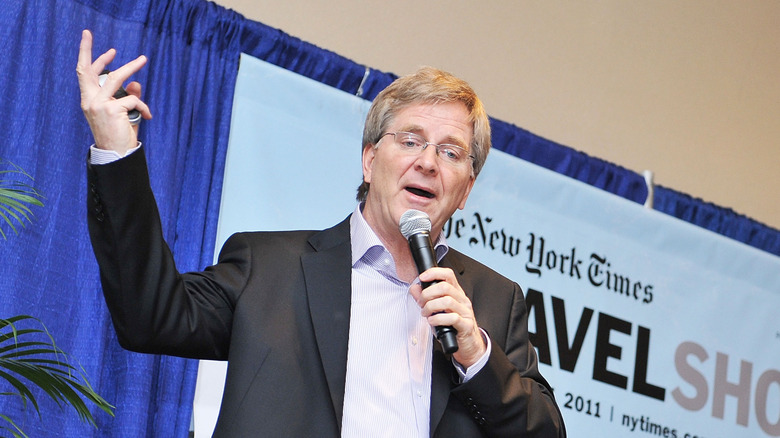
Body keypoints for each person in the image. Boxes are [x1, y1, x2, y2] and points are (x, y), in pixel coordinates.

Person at [77, 29, 566, 437]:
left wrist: (476, 355)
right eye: (410, 140)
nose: (428, 162)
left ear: (466, 191)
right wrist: (116, 153)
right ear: (369, 161)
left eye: (451, 152)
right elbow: (151, 316)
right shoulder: (269, 266)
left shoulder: (494, 301)